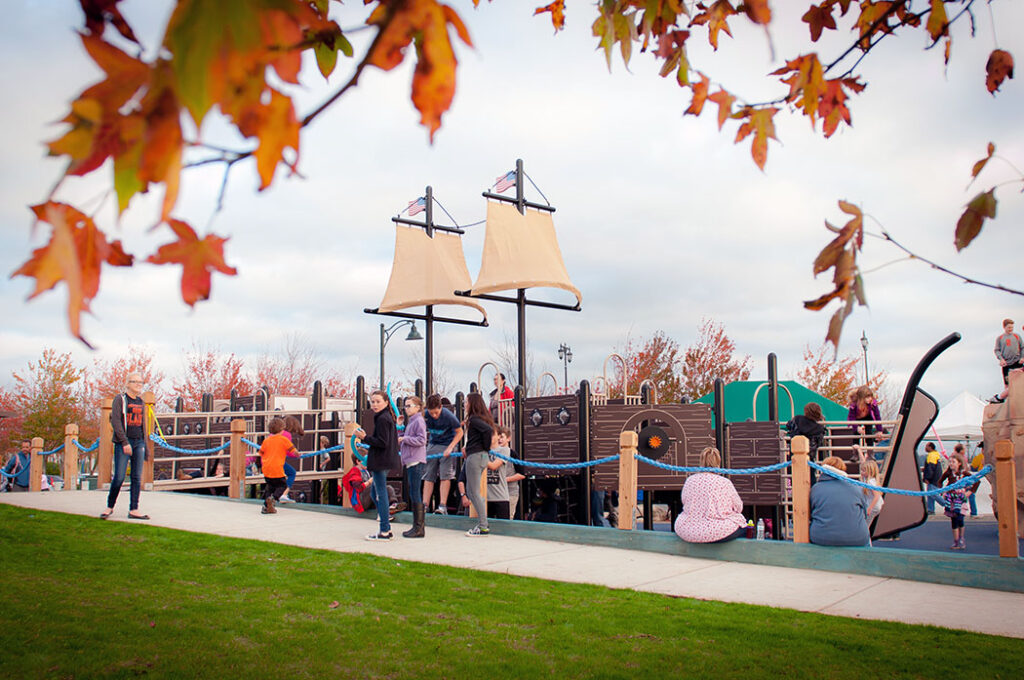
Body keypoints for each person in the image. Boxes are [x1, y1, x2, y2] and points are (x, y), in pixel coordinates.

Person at [101, 373, 150, 520]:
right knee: (119, 476)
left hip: (139, 441)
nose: (138, 385)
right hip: (124, 442)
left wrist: (144, 447)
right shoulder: (120, 399)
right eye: (135, 382)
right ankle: (109, 507)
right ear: (127, 384)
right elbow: (116, 422)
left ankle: (134, 509)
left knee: (136, 477)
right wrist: (124, 442)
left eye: (141, 382)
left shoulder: (141, 402)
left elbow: (143, 425)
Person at [673, 446, 747, 543]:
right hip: (717, 531)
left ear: (701, 461)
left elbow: (685, 501)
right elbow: (738, 507)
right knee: (744, 525)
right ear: (718, 462)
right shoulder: (725, 482)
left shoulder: (690, 480)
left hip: (688, 530)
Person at [356, 390, 400, 541]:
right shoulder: (385, 418)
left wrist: (364, 438)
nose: (374, 404)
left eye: (377, 401)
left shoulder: (383, 419)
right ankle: (385, 523)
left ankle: (385, 530)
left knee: (380, 494)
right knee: (375, 493)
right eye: (372, 402)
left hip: (382, 461)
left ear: (386, 402)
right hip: (384, 460)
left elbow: (382, 442)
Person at [809, 456, 870, 546]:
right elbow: (865, 512)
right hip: (857, 538)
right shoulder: (857, 488)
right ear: (843, 469)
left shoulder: (815, 489)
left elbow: (810, 513)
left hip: (821, 538)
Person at [422, 394, 463, 515]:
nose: (434, 415)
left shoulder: (448, 416)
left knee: (445, 475)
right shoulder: (425, 414)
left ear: (440, 407)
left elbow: (459, 432)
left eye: (436, 412)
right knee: (428, 475)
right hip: (434, 443)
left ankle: (442, 505)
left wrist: (451, 448)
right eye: (431, 413)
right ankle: (425, 505)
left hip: (447, 444)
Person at [462, 392, 496, 536]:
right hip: (480, 456)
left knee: (473, 492)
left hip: (475, 457)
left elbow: (488, 431)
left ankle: (483, 525)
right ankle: (483, 523)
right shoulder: (480, 419)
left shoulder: (474, 419)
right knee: (473, 491)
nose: (465, 404)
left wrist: (484, 447)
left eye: (466, 402)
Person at [399, 396, 427, 538]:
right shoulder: (411, 422)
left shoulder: (419, 421)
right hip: (410, 460)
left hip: (416, 460)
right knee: (413, 492)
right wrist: (401, 431)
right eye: (406, 406)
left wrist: (405, 438)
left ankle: (419, 527)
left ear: (417, 407)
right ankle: (417, 526)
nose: (406, 408)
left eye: (409, 405)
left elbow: (422, 440)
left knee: (415, 492)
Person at [258, 417, 297, 515]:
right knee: (282, 485)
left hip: (267, 469)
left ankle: (266, 507)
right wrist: (298, 455)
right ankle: (273, 499)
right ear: (281, 429)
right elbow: (293, 451)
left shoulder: (266, 441)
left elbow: (261, 453)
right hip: (277, 468)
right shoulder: (283, 439)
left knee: (270, 487)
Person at [786, 402, 827, 483]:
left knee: (794, 481)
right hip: (809, 458)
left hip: (793, 456)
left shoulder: (797, 419)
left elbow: (788, 425)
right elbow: (818, 443)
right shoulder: (819, 428)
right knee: (811, 480)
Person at [940, 450, 972, 550]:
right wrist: (943, 492)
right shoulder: (948, 473)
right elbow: (939, 482)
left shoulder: (964, 474)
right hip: (951, 500)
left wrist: (969, 492)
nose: (951, 464)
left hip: (960, 500)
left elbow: (976, 481)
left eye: (953, 462)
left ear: (959, 463)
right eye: (950, 462)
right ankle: (956, 541)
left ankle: (961, 538)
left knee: (960, 518)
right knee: (954, 520)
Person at [495, 425, 525, 519]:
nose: (499, 440)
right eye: (498, 437)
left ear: (508, 438)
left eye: (502, 437)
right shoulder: (493, 453)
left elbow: (522, 474)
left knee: (508, 518)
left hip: (510, 492)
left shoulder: (513, 454)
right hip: (496, 492)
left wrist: (505, 479)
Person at [992, 318, 1023, 401]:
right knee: (1007, 385)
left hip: (1017, 362)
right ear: (1004, 327)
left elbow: (1022, 347)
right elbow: (997, 350)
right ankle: (1007, 400)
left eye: (1012, 327)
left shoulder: (1017, 336)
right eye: (1009, 327)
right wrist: (1001, 359)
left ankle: (1018, 399)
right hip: (1007, 364)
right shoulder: (1000, 338)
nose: (1011, 329)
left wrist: (1022, 357)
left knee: (1018, 383)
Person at [485, 428, 511, 520]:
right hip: (485, 497)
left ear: (498, 436)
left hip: (500, 497)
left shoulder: (504, 450)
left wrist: (477, 457)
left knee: (503, 529)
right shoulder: (482, 450)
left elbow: (494, 466)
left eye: (493, 434)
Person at [279, 415, 304, 504]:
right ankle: (284, 494)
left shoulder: (275, 433)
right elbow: (289, 450)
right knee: (292, 473)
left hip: (268, 460)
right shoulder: (287, 435)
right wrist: (297, 455)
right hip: (279, 460)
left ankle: (276, 495)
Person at [920, 442, 945, 515]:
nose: (925, 448)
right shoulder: (936, 454)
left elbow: (931, 467)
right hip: (937, 477)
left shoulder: (931, 455)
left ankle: (946, 505)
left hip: (933, 479)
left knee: (933, 494)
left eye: (926, 446)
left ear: (930, 447)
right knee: (930, 494)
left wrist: (927, 478)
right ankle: (930, 509)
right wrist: (924, 469)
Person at [860, 458, 884, 524]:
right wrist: (859, 450)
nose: (861, 472)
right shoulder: (867, 479)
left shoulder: (871, 482)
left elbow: (877, 496)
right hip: (874, 505)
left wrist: (869, 508)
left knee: (865, 525)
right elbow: (863, 462)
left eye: (863, 471)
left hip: (874, 506)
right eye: (861, 470)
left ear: (869, 472)